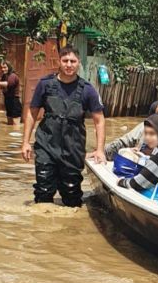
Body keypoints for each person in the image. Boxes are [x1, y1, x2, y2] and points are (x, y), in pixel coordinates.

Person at [21, 45, 106, 207]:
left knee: (72, 196)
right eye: (65, 60)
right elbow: (32, 113)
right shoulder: (45, 85)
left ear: (78, 63)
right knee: (43, 191)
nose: (69, 64)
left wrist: (100, 150)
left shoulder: (88, 90)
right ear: (59, 62)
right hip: (46, 146)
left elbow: (99, 120)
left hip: (72, 150)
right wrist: (25, 142)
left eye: (73, 61)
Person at [0, 61, 22, 125]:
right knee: (9, 123)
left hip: (14, 101)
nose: (3, 69)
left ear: (9, 67)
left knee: (16, 124)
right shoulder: (4, 76)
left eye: (5, 67)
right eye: (2, 68)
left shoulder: (13, 76)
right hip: (8, 100)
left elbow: (8, 84)